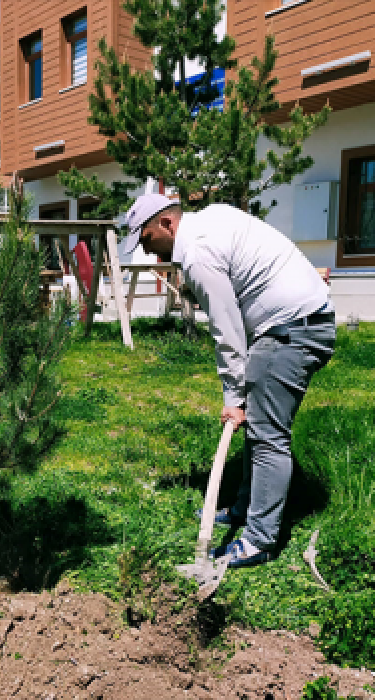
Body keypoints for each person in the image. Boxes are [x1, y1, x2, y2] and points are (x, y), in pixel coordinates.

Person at [120, 193, 334, 568]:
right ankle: (244, 507)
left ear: (167, 223)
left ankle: (258, 540)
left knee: (268, 436)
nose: (151, 253)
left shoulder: (198, 254)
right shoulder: (211, 218)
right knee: (262, 425)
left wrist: (234, 397)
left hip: (291, 331)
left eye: (148, 239)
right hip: (298, 320)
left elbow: (227, 329)